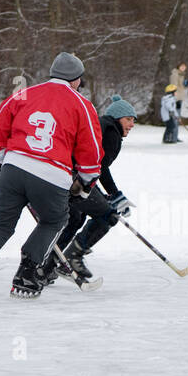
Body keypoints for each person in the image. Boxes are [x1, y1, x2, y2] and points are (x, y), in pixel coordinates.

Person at [0, 52, 102, 299]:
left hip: (13, 169)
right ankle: (27, 273)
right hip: (52, 175)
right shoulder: (82, 105)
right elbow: (91, 151)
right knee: (54, 220)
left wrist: (2, 161)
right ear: (77, 79)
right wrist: (87, 182)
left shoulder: (25, 93)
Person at [47, 95, 137, 282]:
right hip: (74, 179)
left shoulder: (101, 126)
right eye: (128, 119)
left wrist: (106, 194)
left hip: (64, 175)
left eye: (133, 120)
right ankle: (72, 257)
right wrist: (114, 195)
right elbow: (100, 166)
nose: (132, 124)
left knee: (74, 219)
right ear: (117, 118)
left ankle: (46, 268)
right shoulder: (111, 131)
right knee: (107, 216)